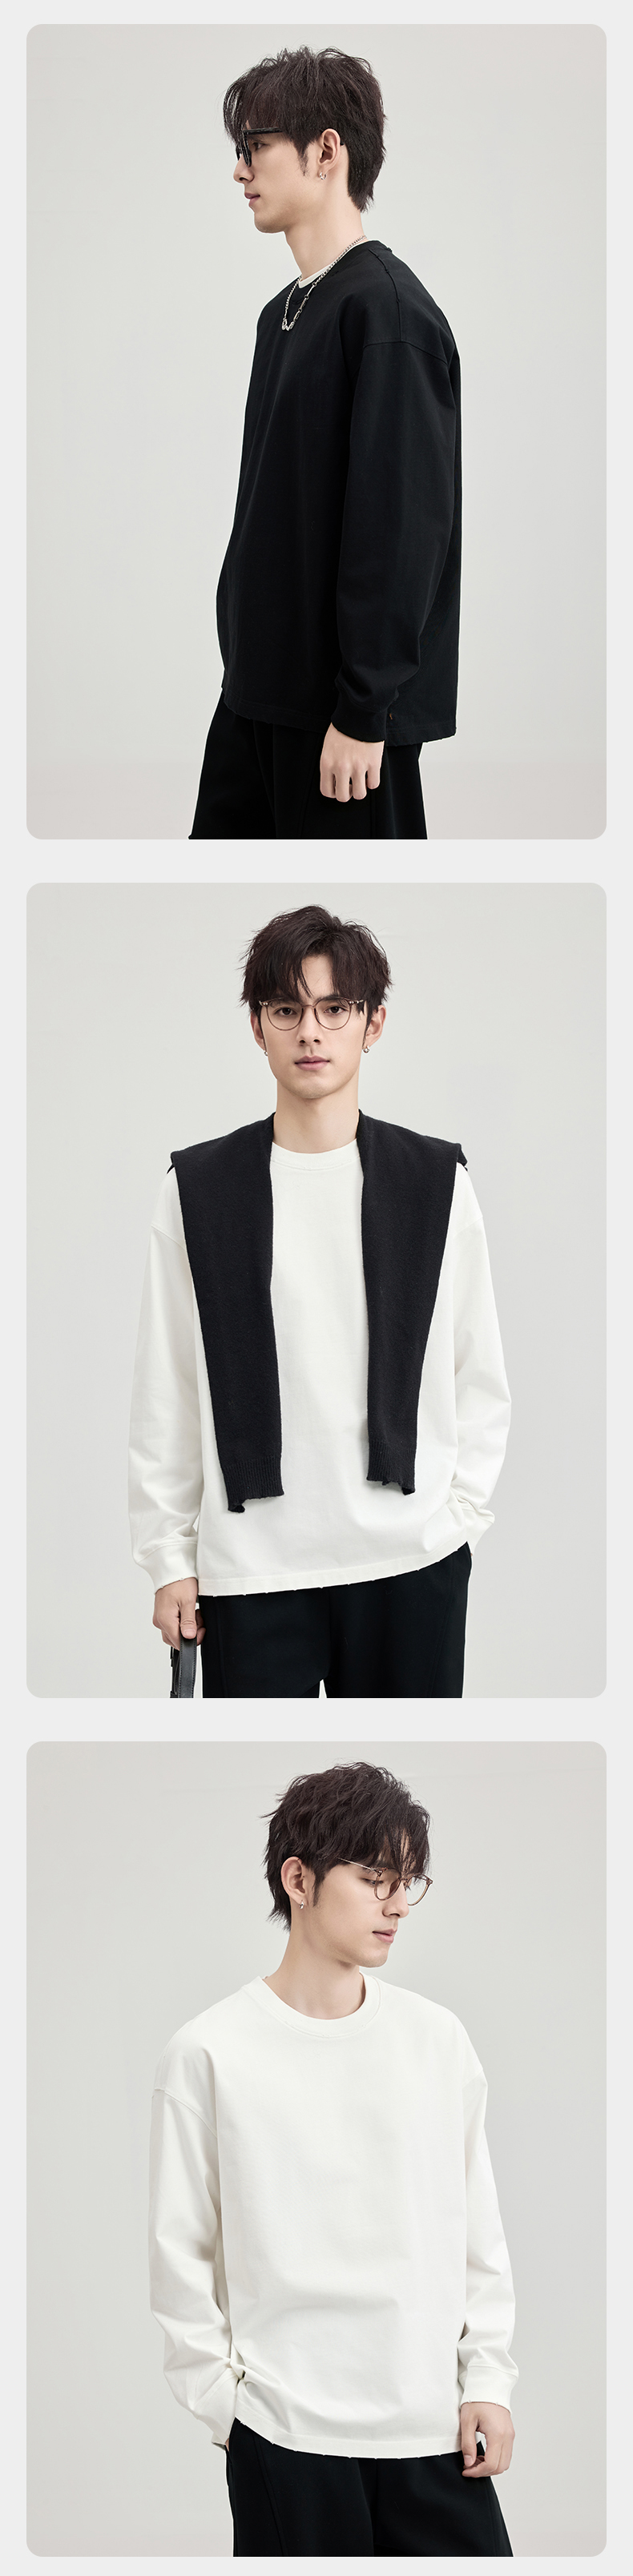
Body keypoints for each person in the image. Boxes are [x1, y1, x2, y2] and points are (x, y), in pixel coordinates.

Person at [129, 904, 510, 1700]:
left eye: (335, 1009)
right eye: (286, 1010)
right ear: (258, 1027)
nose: (311, 1032)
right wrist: (169, 1559)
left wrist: (457, 1520)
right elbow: (168, 1387)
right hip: (252, 1570)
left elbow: (477, 1369)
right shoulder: (198, 1190)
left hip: (410, 1562)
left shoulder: (435, 1183)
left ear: (373, 1024)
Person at [149, 1760, 517, 2557]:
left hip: (434, 2433)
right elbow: (180, 2254)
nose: (398, 1904)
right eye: (376, 1878)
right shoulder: (210, 2052)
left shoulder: (436, 2040)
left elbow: (477, 2233)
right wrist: (229, 2412)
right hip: (287, 2439)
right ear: (299, 1880)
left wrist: (487, 2380)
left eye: (407, 1882)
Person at [190, 46, 461, 840]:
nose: (240, 171)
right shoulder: (282, 313)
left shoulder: (389, 316)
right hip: (253, 698)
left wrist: (364, 710)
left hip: (339, 725)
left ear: (326, 150)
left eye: (256, 146)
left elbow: (401, 529)